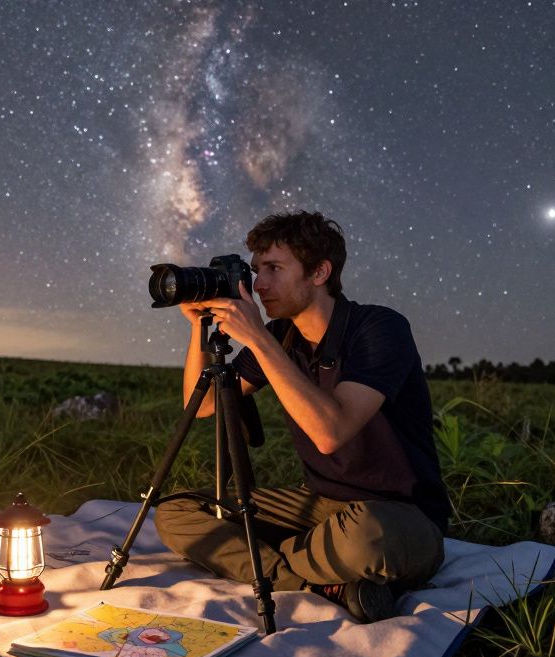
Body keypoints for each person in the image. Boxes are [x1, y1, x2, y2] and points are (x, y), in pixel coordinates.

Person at [153, 211, 450, 622]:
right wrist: (199, 329)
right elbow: (202, 406)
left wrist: (256, 336)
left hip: (397, 514)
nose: (258, 285)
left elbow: (331, 432)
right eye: (256, 270)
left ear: (319, 272)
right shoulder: (281, 336)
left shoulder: (379, 328)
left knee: (367, 537)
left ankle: (269, 565)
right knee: (177, 512)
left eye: (275, 268)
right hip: (319, 506)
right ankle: (320, 584)